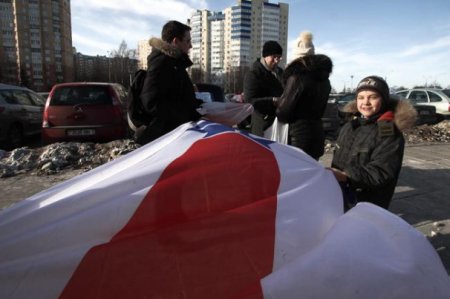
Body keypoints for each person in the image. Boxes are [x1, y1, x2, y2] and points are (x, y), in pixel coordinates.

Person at [328, 76, 417, 211]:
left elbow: (381, 171)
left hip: (368, 202)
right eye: (361, 97)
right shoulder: (350, 125)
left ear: (383, 100)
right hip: (341, 194)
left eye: (373, 97)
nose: (366, 102)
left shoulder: (388, 132)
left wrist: (346, 176)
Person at [135, 20, 202, 145]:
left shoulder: (175, 63)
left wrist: (200, 107)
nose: (191, 46)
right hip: (164, 138)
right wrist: (187, 114)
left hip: (174, 134)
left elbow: (178, 97)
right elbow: (151, 102)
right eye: (187, 41)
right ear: (176, 42)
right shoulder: (161, 63)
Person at [275, 32, 333, 160]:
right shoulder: (325, 80)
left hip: (298, 137)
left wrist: (277, 104)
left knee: (295, 176)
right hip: (317, 133)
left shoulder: (297, 77)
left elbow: (284, 112)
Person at [243, 40, 284, 136]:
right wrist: (273, 101)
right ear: (265, 56)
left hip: (278, 123)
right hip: (262, 124)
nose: (276, 60)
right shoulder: (253, 74)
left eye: (279, 57)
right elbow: (250, 100)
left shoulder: (280, 73)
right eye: (274, 57)